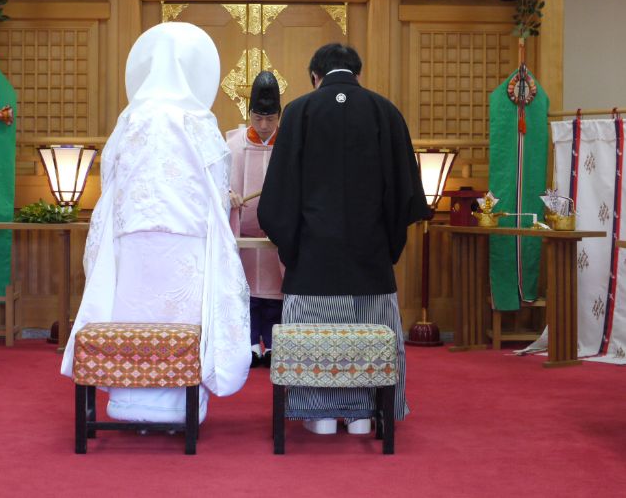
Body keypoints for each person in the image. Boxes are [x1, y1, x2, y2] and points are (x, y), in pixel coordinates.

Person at [60, 22, 251, 424]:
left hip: (133, 242)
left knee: (131, 316)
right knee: (180, 320)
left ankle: (129, 403)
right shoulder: (197, 119)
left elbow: (109, 175)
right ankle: (178, 406)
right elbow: (219, 179)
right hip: (186, 240)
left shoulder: (131, 119)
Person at [257, 43, 430, 435]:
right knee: (371, 337)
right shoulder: (385, 112)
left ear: (315, 76)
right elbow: (405, 194)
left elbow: (276, 201)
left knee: (313, 341)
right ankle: (366, 412)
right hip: (370, 263)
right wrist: (386, 248)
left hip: (312, 264)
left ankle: (317, 413)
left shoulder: (299, 112)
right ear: (357, 73)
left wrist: (293, 250)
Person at [227, 71, 283, 368]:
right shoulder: (232, 144)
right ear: (249, 114)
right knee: (246, 293)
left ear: (279, 116)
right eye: (258, 118)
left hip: (276, 235)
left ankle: (274, 344)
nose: (263, 126)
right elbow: (217, 183)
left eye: (270, 120)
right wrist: (229, 195)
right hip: (243, 233)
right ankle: (249, 344)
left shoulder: (288, 145)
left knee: (275, 292)